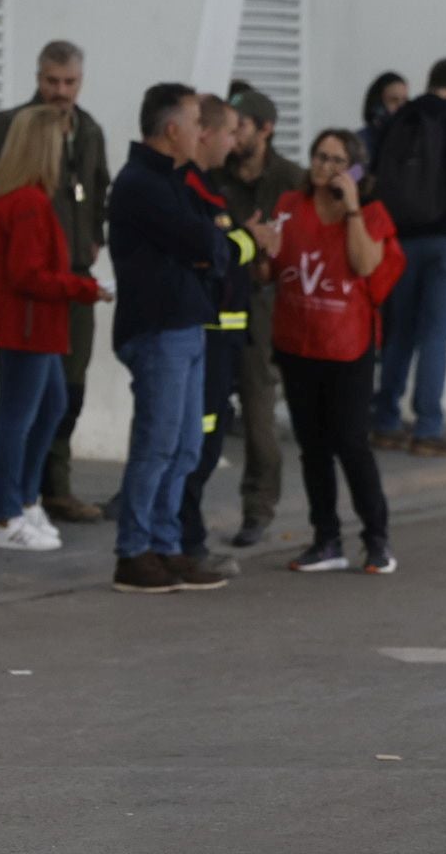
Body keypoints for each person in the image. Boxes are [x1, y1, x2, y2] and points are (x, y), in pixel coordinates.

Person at [0, 40, 110, 524]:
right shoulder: (19, 127)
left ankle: (47, 490)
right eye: (51, 81)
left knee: (63, 393)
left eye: (69, 82)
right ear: (38, 78)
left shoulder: (88, 130)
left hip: (71, 278)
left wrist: (94, 235)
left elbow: (100, 185)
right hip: (31, 286)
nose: (60, 91)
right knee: (20, 400)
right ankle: (11, 505)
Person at [105, 83, 233, 594]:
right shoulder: (141, 183)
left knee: (184, 446)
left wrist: (208, 248)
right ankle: (133, 553)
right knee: (157, 445)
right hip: (159, 329)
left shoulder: (175, 180)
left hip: (186, 323)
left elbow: (213, 243)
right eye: (197, 121)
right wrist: (206, 248)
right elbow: (202, 240)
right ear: (173, 129)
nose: (203, 132)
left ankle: (166, 544)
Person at [269, 129, 405, 574]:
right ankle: (326, 538)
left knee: (350, 442)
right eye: (319, 156)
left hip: (348, 347)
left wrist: (351, 209)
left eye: (336, 160)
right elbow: (269, 265)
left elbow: (366, 264)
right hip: (298, 342)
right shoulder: (290, 206)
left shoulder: (371, 213)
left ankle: (376, 537)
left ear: (354, 170)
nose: (324, 166)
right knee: (312, 446)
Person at [178, 96, 278, 577]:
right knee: (193, 441)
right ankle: (180, 541)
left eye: (241, 130)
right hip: (208, 334)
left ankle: (205, 532)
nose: (234, 139)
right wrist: (249, 240)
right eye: (229, 130)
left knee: (226, 432)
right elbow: (211, 250)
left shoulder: (218, 186)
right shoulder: (198, 186)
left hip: (238, 329)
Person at [370, 57, 446, 456]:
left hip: (400, 240)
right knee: (435, 336)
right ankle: (427, 428)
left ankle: (385, 421)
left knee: (399, 333)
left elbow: (373, 174)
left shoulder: (398, 119)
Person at [214, 89, 305, 547]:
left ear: (265, 129)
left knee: (258, 410)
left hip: (262, 308)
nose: (233, 135)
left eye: (241, 126)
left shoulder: (291, 180)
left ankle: (258, 507)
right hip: (215, 302)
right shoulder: (215, 175)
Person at [358, 71, 409, 163]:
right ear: (378, 106)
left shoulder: (412, 141)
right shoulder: (361, 140)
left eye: (404, 100)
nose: (401, 107)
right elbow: (352, 173)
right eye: (394, 100)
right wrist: (366, 173)